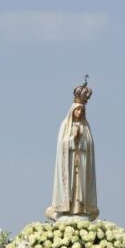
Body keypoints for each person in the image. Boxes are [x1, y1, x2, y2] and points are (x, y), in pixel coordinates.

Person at [45, 79, 99, 221]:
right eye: (78, 109)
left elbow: (89, 145)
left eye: (82, 110)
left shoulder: (86, 127)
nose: (80, 112)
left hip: (81, 162)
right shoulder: (66, 125)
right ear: (73, 110)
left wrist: (81, 141)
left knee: (80, 186)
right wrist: (72, 139)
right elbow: (61, 146)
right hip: (69, 163)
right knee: (70, 186)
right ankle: (66, 208)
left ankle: (80, 209)